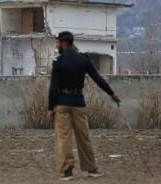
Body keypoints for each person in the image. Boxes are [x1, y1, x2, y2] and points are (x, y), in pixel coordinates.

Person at [48, 31, 121, 181]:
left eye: (58, 43)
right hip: (78, 103)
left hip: (62, 103)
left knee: (63, 138)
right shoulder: (83, 59)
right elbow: (98, 79)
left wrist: (50, 107)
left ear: (64, 43)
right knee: (83, 137)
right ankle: (91, 169)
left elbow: (53, 86)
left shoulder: (58, 61)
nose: (57, 46)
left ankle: (67, 172)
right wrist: (111, 94)